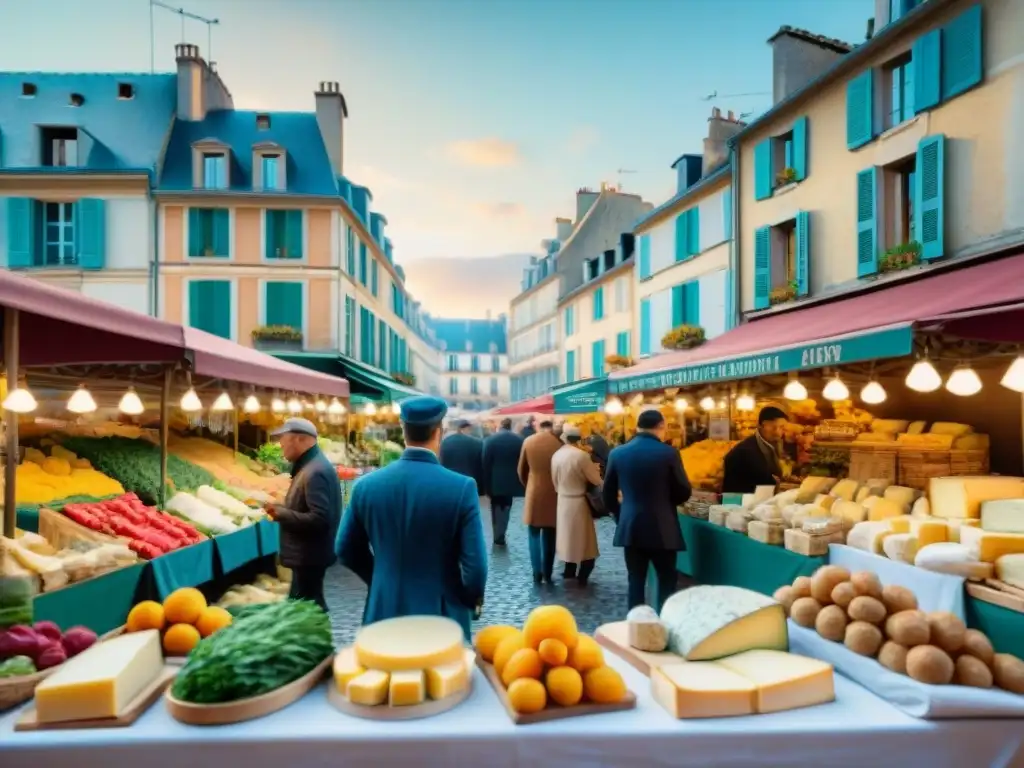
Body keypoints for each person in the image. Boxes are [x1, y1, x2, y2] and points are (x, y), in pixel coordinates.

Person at [335, 396, 488, 640]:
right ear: (439, 432)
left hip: (384, 607)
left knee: (387, 676)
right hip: (441, 611)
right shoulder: (461, 487)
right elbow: (476, 566)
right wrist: (470, 599)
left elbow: (344, 549)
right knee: (441, 677)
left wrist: (379, 576)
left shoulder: (365, 486)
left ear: (403, 432)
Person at [603, 409, 691, 611]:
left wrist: (620, 515)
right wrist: (666, 503)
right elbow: (683, 491)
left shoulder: (618, 453)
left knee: (635, 579)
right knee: (666, 579)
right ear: (660, 426)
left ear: (638, 427)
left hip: (631, 525)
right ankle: (664, 621)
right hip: (663, 526)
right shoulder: (669, 453)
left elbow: (607, 494)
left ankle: (636, 625)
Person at [262, 418, 342, 611]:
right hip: (309, 558)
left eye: (283, 438)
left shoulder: (315, 471)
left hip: (309, 558)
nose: (280, 443)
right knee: (307, 611)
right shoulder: (312, 466)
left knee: (306, 611)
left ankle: (319, 639)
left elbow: (320, 519)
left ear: (299, 439)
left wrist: (282, 513)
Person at [551, 425, 604, 586]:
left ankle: (569, 569)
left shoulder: (556, 455)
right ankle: (583, 573)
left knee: (567, 538)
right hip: (578, 501)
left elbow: (554, 482)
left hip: (563, 500)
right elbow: (596, 480)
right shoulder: (581, 456)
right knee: (584, 540)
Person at [517, 419, 561, 584]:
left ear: (538, 427)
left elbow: (521, 469)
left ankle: (537, 571)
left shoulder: (529, 441)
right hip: (555, 493)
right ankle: (548, 571)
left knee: (534, 534)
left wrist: (529, 484)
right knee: (551, 534)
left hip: (534, 491)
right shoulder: (559, 443)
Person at [721, 406, 788, 494]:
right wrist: (771, 480)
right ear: (762, 425)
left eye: (782, 428)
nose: (778, 432)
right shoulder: (745, 450)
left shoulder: (770, 445)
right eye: (774, 427)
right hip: (740, 503)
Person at [481, 417, 524, 546]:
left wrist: (485, 482)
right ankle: (502, 532)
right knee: (507, 506)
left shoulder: (491, 440)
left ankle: (497, 533)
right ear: (510, 426)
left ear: (500, 425)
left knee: (495, 507)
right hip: (511, 481)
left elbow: (485, 462)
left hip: (494, 480)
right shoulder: (519, 440)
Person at [439, 419, 484, 492]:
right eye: (469, 429)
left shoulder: (446, 441)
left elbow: (441, 461)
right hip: (470, 481)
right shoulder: (477, 443)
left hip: (450, 481)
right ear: (465, 429)